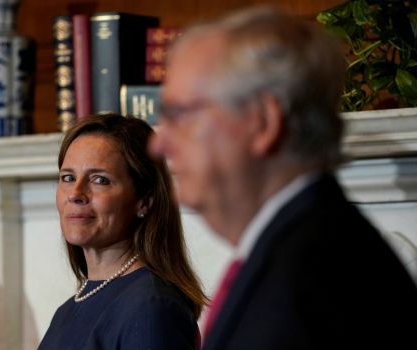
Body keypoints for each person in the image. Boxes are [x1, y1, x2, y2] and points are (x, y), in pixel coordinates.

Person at [148, 6, 417, 350]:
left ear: (262, 123)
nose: (159, 142)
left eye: (180, 114)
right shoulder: (298, 245)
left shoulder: (319, 274)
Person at [38, 113, 206, 350]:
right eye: (68, 177)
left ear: (144, 200)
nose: (75, 193)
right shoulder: (66, 311)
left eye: (100, 180)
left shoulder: (150, 308)